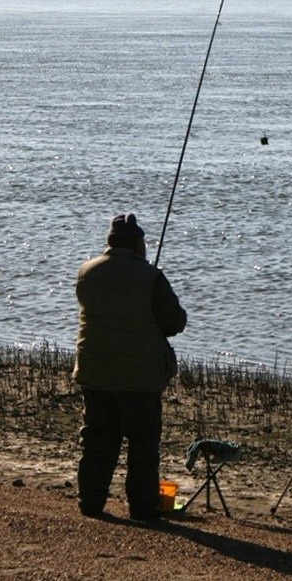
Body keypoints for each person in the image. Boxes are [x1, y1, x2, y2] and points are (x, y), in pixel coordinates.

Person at [73, 213, 187, 522]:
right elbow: (175, 322)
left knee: (97, 440)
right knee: (142, 446)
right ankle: (142, 509)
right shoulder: (150, 277)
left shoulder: (87, 273)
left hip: (94, 373)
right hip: (139, 380)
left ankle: (91, 503)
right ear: (138, 244)